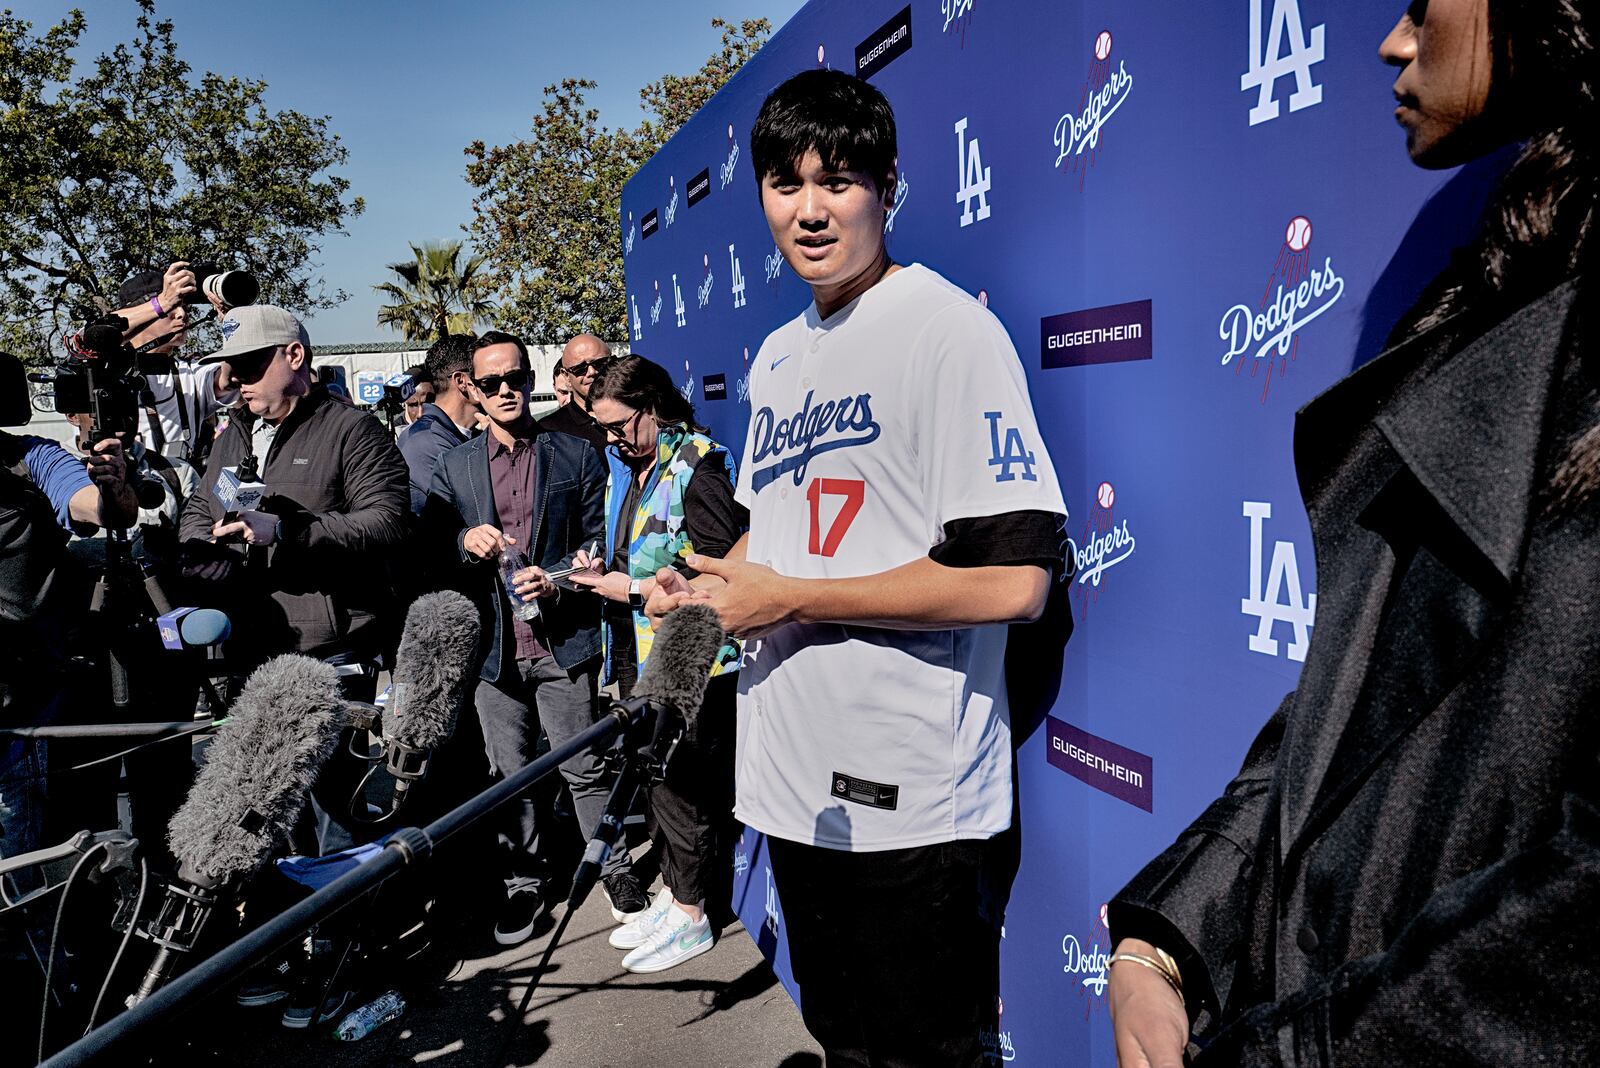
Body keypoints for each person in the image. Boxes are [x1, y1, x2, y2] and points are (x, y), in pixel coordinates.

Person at [1106, 3, 1599, 1066]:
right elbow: (1359, 695)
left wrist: (1292, 1052)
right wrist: (1171, 931)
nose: (1390, 40)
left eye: (1426, 5)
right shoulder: (1506, 279)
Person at [649, 69, 1067, 1063]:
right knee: (839, 1038)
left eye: (837, 180)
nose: (810, 209)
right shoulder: (779, 354)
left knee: (917, 1054)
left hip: (908, 795)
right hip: (788, 777)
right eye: (785, 184)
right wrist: (710, 593)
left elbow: (1013, 584)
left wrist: (790, 597)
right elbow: (769, 531)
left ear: (886, 187)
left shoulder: (947, 332)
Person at [422, 330, 649, 945]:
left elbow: (599, 545)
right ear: (470, 387)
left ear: (531, 379)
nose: (504, 392)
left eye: (514, 379)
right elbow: (430, 547)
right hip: (494, 653)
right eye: (489, 383)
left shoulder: (574, 454)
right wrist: (463, 543)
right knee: (509, 774)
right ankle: (524, 883)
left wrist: (559, 584)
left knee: (584, 766)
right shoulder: (456, 464)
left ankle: (616, 869)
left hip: (561, 641)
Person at [178, 305, 409, 858]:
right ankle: (289, 922)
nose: (236, 382)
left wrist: (285, 529)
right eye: (230, 369)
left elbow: (388, 521)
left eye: (251, 367)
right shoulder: (234, 433)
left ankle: (344, 929)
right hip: (249, 642)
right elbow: (198, 504)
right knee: (267, 801)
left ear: (295, 357)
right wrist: (200, 546)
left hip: (326, 650)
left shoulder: (352, 430)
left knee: (332, 800)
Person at [566, 354, 746, 973]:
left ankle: (694, 915)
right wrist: (606, 575)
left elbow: (725, 572)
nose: (611, 440)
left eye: (619, 426)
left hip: (694, 664)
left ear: (655, 407)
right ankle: (676, 895)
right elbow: (640, 551)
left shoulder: (700, 467)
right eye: (604, 429)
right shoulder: (641, 465)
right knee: (661, 784)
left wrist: (636, 588)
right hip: (644, 656)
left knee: (687, 786)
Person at [104, 263, 240, 463]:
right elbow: (88, 342)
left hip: (182, 487)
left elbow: (233, 376)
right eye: (170, 308)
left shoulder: (190, 374)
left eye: (183, 307)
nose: (182, 314)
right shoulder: (105, 373)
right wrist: (160, 304)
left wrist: (233, 323)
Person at [398, 335, 480, 515]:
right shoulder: (425, 442)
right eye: (484, 372)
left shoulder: (466, 434)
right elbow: (477, 510)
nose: (500, 384)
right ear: (462, 381)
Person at [538, 333, 610, 453]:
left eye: (599, 363)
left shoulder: (637, 413)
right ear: (566, 376)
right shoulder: (548, 431)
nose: (591, 372)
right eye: (580, 368)